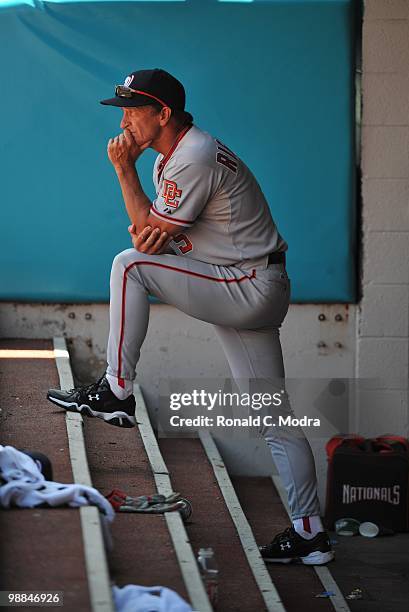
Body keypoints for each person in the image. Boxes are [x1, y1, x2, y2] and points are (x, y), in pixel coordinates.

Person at [47, 68, 334, 565]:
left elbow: (140, 244)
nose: (125, 121)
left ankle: (117, 389)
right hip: (245, 281)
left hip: (247, 284)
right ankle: (311, 534)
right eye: (123, 110)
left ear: (163, 114)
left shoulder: (193, 156)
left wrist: (122, 171)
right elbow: (147, 231)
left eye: (134, 110)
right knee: (274, 415)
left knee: (128, 265)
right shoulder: (171, 160)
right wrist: (133, 177)